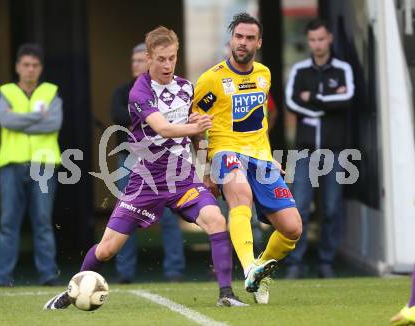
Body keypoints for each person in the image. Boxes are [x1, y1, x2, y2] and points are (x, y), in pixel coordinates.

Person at [44, 26, 247, 309]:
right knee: (106, 249)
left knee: (216, 219)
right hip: (146, 181)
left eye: (172, 58)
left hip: (182, 179)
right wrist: (194, 125)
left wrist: (206, 168)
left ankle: (226, 294)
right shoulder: (139, 92)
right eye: (161, 59)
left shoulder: (186, 88)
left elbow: (196, 136)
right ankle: (72, 291)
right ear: (149, 58)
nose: (167, 65)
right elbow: (163, 128)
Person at [192, 12, 302, 305]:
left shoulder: (264, 75)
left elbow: (261, 120)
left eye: (249, 38)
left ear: (259, 42)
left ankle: (261, 272)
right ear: (231, 39)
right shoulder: (211, 80)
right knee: (241, 195)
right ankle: (249, 265)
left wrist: (269, 157)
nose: (242, 43)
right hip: (225, 152)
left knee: (292, 228)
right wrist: (204, 170)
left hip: (261, 158)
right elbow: (195, 129)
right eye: (238, 37)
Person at [284, 19, 354, 279]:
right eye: (312, 40)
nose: (317, 44)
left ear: (330, 39)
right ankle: (296, 263)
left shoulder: (343, 69)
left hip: (336, 151)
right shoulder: (300, 70)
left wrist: (313, 99)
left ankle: (326, 261)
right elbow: (292, 102)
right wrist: (328, 104)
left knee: (332, 208)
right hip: (304, 151)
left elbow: (347, 99)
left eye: (321, 39)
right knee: (299, 207)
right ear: (309, 41)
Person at [110, 43, 185, 283]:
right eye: (132, 61)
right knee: (125, 216)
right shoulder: (122, 92)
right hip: (130, 158)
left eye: (139, 60)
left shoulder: (165, 91)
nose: (135, 65)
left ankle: (174, 270)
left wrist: (149, 116)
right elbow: (118, 115)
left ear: (149, 61)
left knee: (169, 217)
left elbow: (172, 119)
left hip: (162, 158)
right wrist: (151, 117)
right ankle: (125, 272)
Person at [0, 43, 63, 286]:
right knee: (8, 223)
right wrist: (36, 118)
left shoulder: (51, 91)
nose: (30, 69)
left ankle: (48, 275)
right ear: (17, 67)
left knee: (42, 221)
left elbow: (53, 124)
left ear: (40, 68)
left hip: (44, 165)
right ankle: (2, 277)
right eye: (25, 65)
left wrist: (19, 119)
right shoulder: (6, 91)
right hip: (12, 164)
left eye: (34, 65)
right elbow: (5, 121)